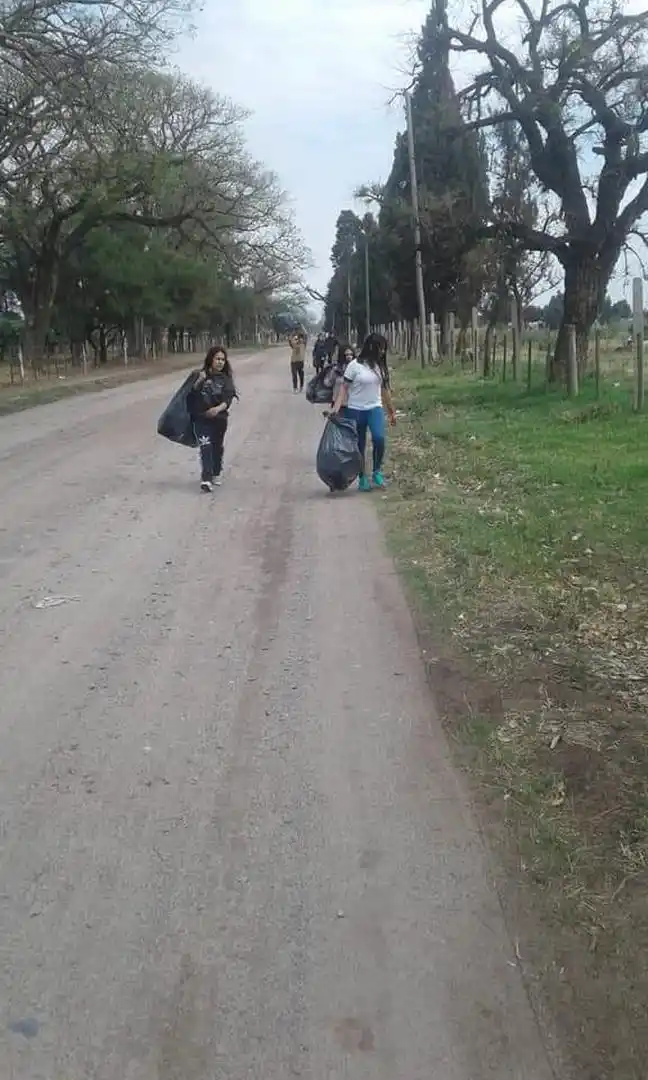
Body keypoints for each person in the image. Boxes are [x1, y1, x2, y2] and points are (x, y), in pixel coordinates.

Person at [330, 332, 396, 491]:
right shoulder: (354, 366)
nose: (383, 352)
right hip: (356, 410)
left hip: (375, 408)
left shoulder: (380, 367)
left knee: (379, 439)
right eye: (381, 349)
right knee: (359, 446)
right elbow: (343, 389)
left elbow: (385, 391)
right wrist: (336, 409)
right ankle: (362, 477)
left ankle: (377, 471)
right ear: (372, 348)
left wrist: (391, 411)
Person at [189, 345, 237, 493]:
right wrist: (198, 382)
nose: (220, 362)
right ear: (211, 359)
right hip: (201, 420)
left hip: (219, 420)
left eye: (223, 359)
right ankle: (206, 478)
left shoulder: (226, 380)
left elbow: (227, 400)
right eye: (217, 359)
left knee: (217, 447)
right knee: (206, 446)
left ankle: (216, 471)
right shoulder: (199, 375)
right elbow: (190, 396)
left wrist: (217, 409)